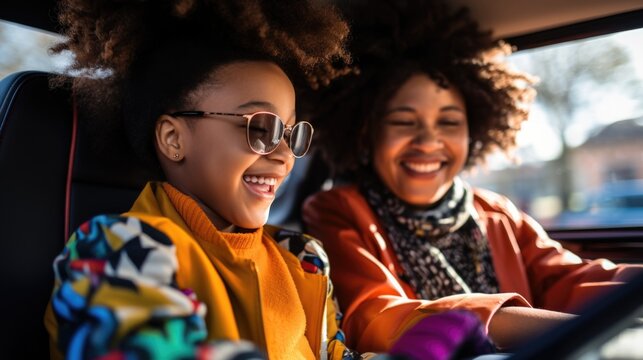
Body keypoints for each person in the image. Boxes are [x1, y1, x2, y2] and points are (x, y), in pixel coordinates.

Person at [43, 1, 501, 359]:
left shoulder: (301, 261)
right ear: (172, 138)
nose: (284, 156)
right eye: (259, 127)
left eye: (292, 132)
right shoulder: (115, 249)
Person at [302, 0, 643, 354]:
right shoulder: (336, 210)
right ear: (366, 132)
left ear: (474, 132)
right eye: (403, 121)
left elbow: (567, 277)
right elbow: (373, 315)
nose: (428, 141)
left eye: (449, 122)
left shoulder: (494, 210)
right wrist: (575, 330)